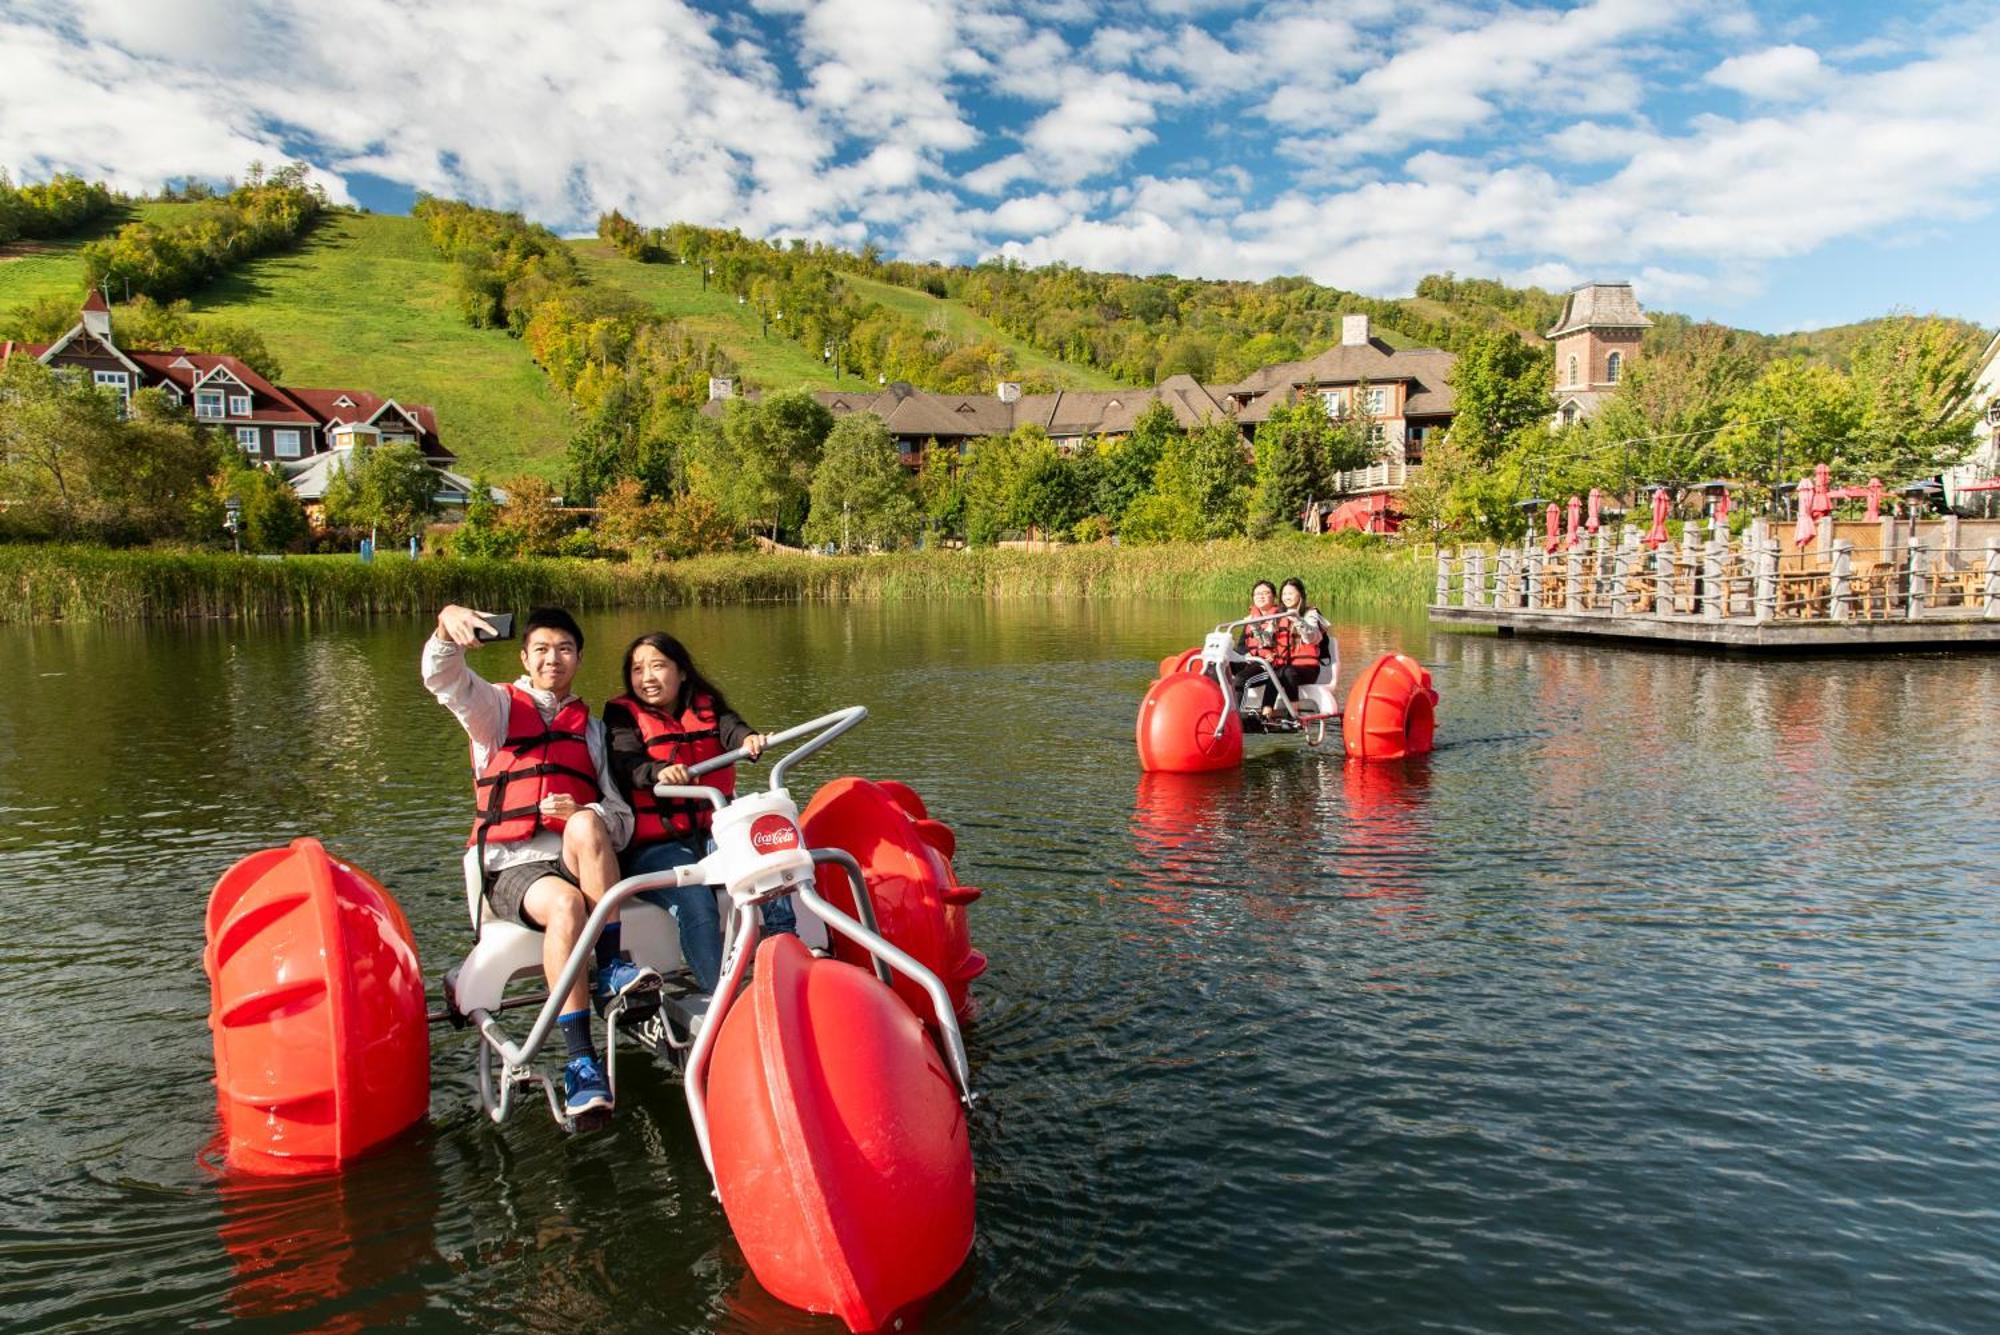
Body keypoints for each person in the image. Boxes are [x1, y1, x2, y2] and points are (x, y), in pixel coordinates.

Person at [424, 604, 658, 1121]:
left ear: (579, 658)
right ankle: (580, 1061)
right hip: (511, 866)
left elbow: (620, 820)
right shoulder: (496, 711)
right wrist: (447, 627)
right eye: (543, 650)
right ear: (525, 657)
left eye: (566, 649)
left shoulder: (592, 731)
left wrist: (583, 811)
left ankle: (612, 966)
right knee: (567, 904)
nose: (554, 659)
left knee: (590, 822)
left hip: (572, 858)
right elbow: (443, 679)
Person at [601, 632, 778, 993]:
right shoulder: (621, 714)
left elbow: (733, 730)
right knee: (696, 898)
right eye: (637, 670)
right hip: (654, 847)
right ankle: (720, 996)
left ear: (681, 672)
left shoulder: (707, 705)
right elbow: (627, 763)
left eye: (657, 666)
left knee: (767, 861)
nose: (647, 677)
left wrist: (749, 739)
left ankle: (788, 949)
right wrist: (658, 772)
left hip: (712, 833)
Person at [1264, 577, 1331, 714]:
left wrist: (1298, 620)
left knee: (1287, 671)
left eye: (1290, 593)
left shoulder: (1310, 614)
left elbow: (1312, 638)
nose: (1286, 597)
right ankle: (1266, 713)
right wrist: (1255, 629)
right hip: (1285, 668)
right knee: (1275, 673)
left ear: (1300, 594)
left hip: (1308, 669)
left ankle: (1293, 714)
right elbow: (1266, 641)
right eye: (1284, 594)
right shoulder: (1278, 616)